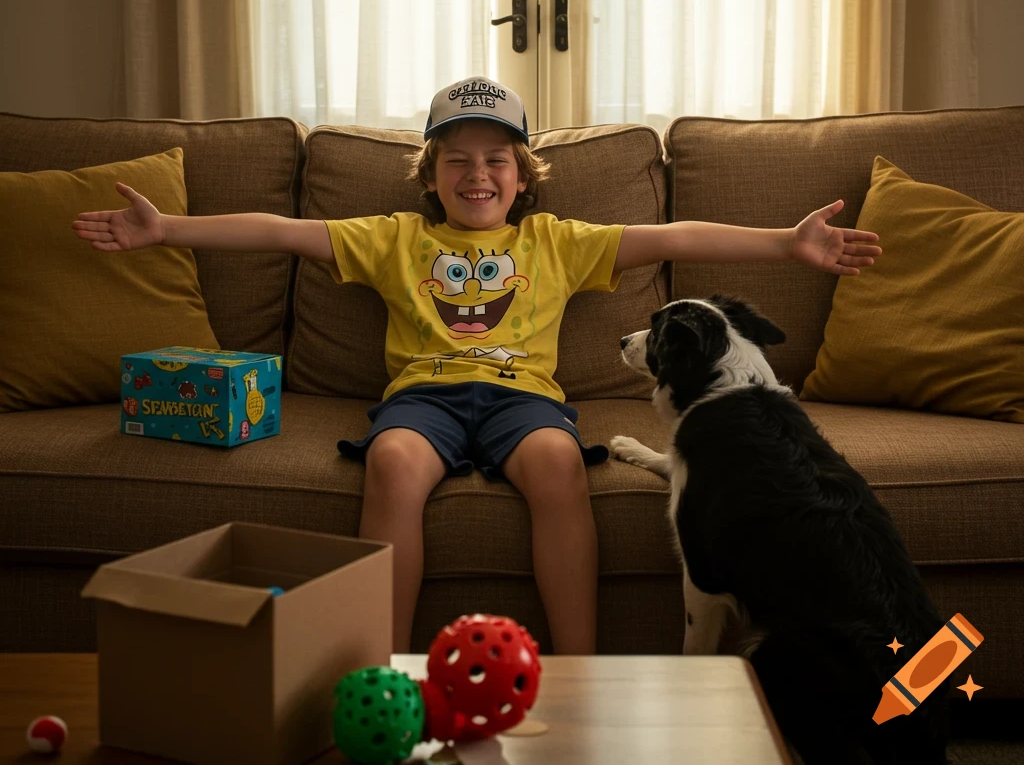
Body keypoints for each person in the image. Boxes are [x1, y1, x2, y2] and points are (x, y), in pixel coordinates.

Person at [72, 78, 882, 655]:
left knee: (559, 463)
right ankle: (385, 670)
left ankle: (577, 672)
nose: (477, 174)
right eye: (456, 160)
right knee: (392, 461)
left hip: (522, 398)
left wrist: (787, 243)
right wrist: (166, 229)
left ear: (524, 177)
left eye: (497, 159)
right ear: (429, 176)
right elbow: (280, 232)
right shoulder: (394, 237)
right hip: (421, 398)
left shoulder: (555, 242)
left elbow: (673, 238)